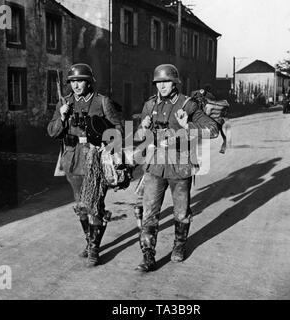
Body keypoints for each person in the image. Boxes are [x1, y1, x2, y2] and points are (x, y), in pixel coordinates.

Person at [135, 64, 219, 272]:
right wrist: (143, 128)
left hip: (180, 166)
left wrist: (187, 126)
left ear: (175, 83)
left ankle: (179, 246)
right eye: (158, 82)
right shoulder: (149, 105)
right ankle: (148, 255)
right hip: (155, 166)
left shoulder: (187, 105)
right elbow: (137, 137)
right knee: (149, 213)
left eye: (166, 82)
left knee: (181, 212)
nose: (162, 86)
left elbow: (213, 130)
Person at [47, 63, 123, 267]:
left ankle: (94, 249)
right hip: (73, 159)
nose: (76, 85)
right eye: (72, 82)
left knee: (95, 205)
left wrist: (106, 145)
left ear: (89, 82)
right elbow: (52, 132)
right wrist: (62, 116)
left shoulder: (102, 101)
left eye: (80, 81)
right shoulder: (65, 102)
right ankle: (90, 242)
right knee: (81, 206)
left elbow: (118, 129)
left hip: (96, 159)